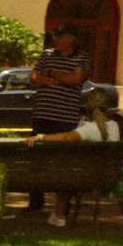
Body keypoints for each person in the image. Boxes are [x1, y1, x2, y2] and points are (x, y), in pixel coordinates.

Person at [24, 91, 123, 234]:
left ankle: (59, 216)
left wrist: (41, 136)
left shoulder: (88, 129)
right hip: (112, 177)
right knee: (122, 191)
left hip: (86, 177)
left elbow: (66, 137)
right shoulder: (116, 125)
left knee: (68, 175)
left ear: (87, 107)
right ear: (108, 108)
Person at [28, 29, 93, 213]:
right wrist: (48, 80)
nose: (55, 39)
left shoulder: (82, 57)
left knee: (64, 161)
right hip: (42, 114)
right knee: (37, 160)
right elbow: (34, 76)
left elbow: (75, 78)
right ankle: (35, 203)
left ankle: (63, 205)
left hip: (65, 118)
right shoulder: (47, 54)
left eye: (60, 36)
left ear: (71, 38)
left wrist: (51, 72)